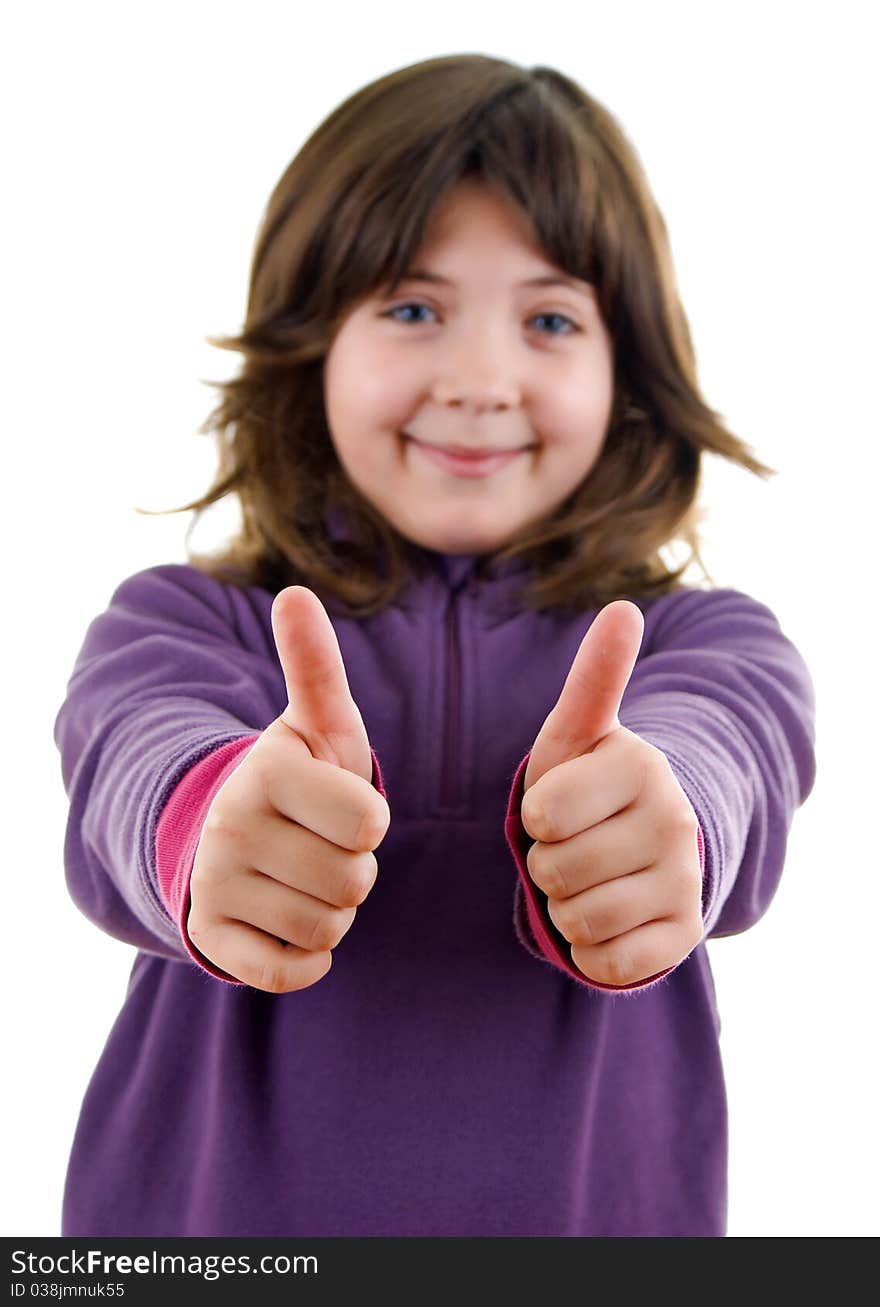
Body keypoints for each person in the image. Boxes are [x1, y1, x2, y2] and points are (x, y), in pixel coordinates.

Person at [53, 53, 817, 1238]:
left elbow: (733, 743)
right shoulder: (183, 620)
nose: (478, 380)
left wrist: (666, 817)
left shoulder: (705, 640)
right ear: (312, 349)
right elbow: (132, 746)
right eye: (411, 308)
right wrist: (212, 823)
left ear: (630, 375)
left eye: (550, 318)